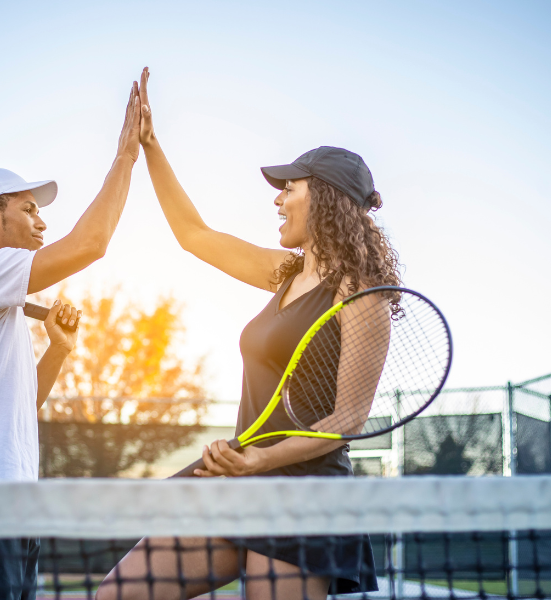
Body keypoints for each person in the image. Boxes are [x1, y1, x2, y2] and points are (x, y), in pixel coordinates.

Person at [97, 68, 400, 600]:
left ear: (324, 198)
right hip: (239, 482)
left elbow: (347, 421)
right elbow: (195, 235)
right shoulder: (284, 273)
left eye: (290, 188)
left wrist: (258, 459)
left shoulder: (362, 294)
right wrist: (150, 146)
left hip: (302, 501)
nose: (278, 200)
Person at [0, 82, 142, 600]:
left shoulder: (1, 308)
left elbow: (21, 406)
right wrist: (125, 156)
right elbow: (92, 244)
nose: (42, 220)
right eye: (28, 208)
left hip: (11, 512)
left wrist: (58, 348)